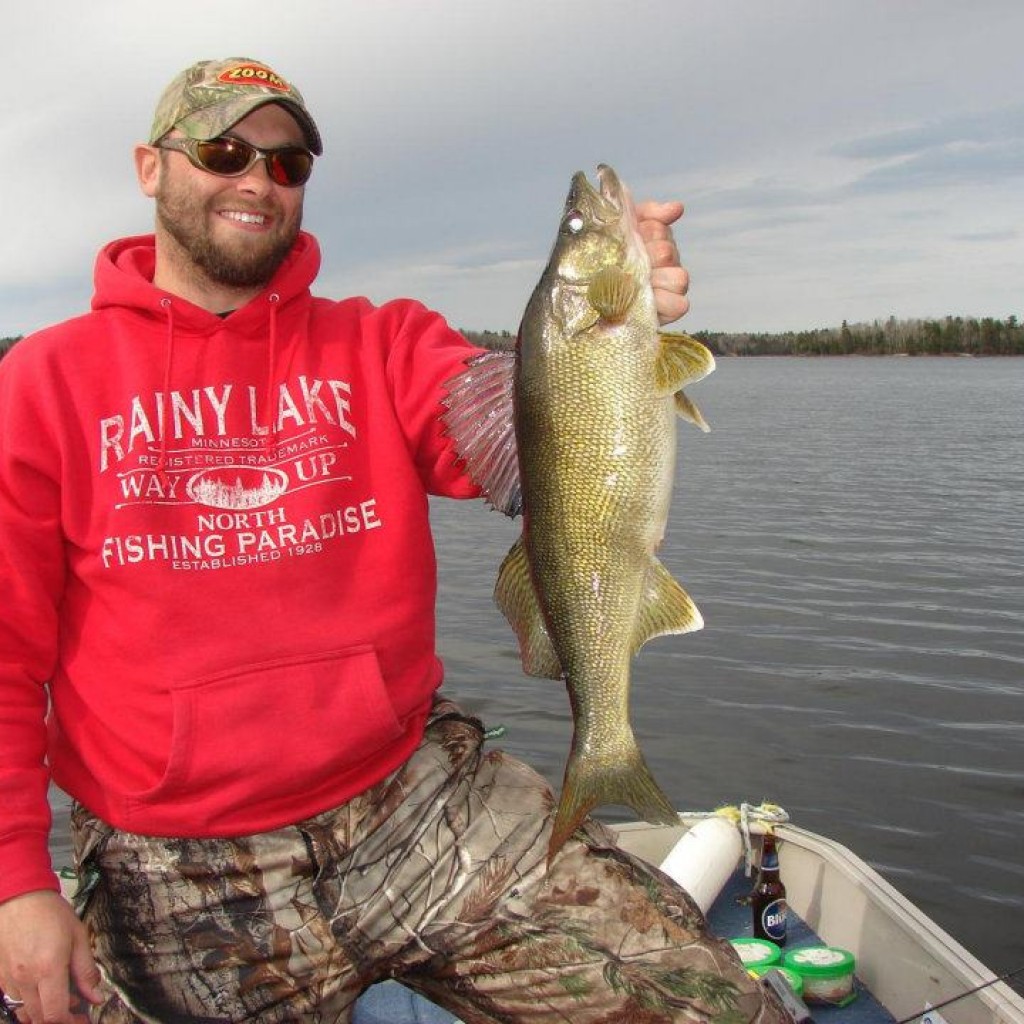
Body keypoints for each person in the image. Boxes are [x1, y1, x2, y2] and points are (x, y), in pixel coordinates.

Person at [0, 58, 783, 1024]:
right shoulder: (41, 386)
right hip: (180, 855)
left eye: (287, 166)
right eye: (223, 151)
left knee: (714, 1008)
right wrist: (16, 883)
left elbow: (524, 433)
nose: (256, 180)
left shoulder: (382, 343)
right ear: (150, 169)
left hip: (411, 793)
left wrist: (610, 343)